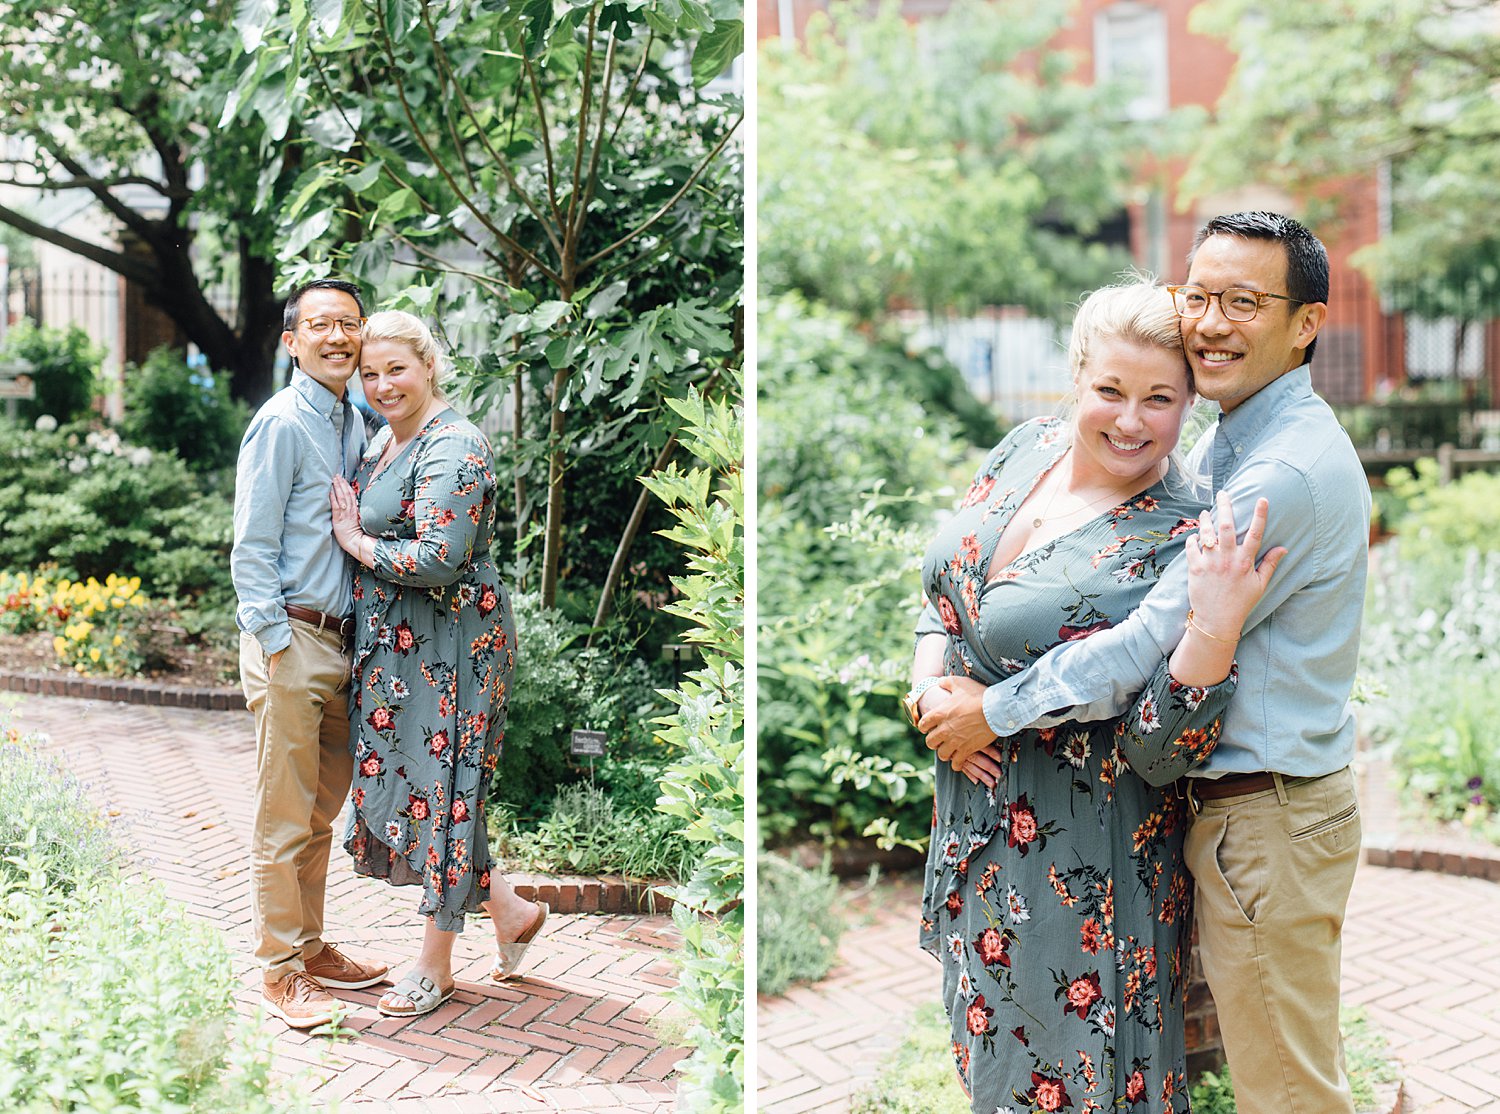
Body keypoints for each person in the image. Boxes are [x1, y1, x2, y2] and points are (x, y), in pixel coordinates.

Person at [919, 212, 1369, 1114]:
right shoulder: (1203, 450)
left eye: (1244, 301)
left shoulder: (1262, 478)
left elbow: (1136, 657)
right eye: (1200, 296)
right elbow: (947, 580)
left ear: (1306, 322)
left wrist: (990, 711)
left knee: (1288, 1092)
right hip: (1100, 828)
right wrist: (932, 671)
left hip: (1245, 818)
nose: (1214, 321)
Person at [328, 310, 545, 1019]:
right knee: (442, 790)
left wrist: (353, 540)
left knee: (446, 790)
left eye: (397, 369)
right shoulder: (391, 442)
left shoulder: (456, 445)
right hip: (401, 648)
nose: (383, 384)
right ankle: (509, 912)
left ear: (428, 366)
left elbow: (437, 558)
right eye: (370, 373)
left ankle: (435, 965)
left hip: (453, 643)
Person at [232, 278, 390, 1030]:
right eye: (321, 325)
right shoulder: (281, 424)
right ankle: (279, 969)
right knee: (283, 816)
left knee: (321, 811)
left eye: (349, 325)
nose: (338, 337)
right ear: (290, 340)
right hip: (292, 638)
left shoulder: (352, 423)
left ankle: (313, 945)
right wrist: (273, 644)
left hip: (342, 640)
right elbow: (252, 547)